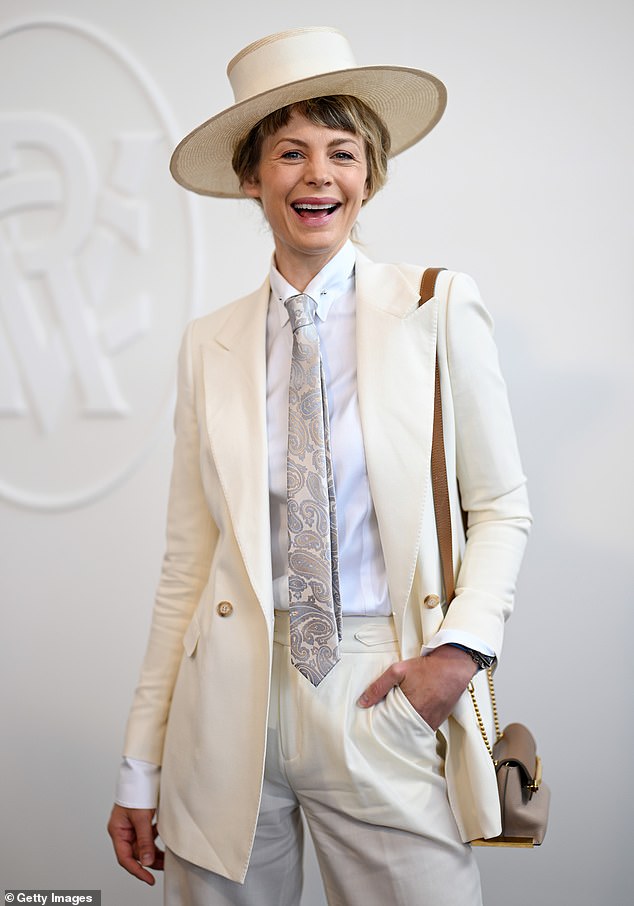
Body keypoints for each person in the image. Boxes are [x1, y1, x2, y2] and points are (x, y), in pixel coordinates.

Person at [107, 26, 531, 906]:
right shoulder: (208, 343)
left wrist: (457, 653)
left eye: (342, 152)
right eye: (290, 152)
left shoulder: (434, 307)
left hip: (379, 687)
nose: (317, 175)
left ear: (369, 174)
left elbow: (500, 505)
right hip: (225, 701)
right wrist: (139, 764)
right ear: (251, 176)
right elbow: (188, 562)